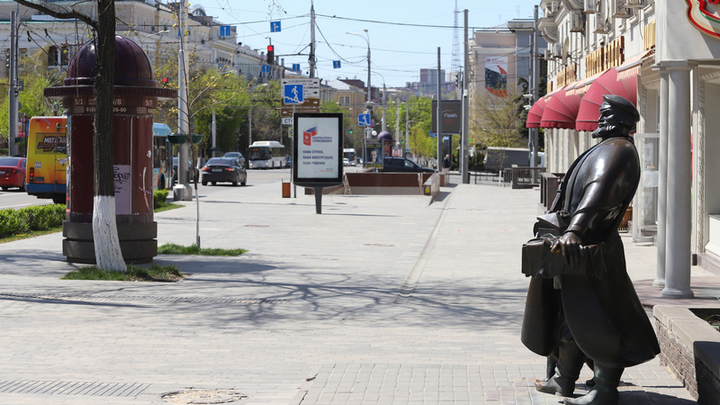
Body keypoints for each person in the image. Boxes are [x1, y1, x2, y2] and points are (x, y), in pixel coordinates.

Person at [521, 95, 660, 405]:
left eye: (604, 114)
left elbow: (599, 194)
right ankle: (564, 379)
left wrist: (575, 230)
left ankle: (605, 389)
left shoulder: (619, 152)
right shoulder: (608, 148)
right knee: (570, 315)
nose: (598, 119)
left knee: (602, 318)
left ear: (619, 120)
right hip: (575, 249)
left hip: (593, 248)